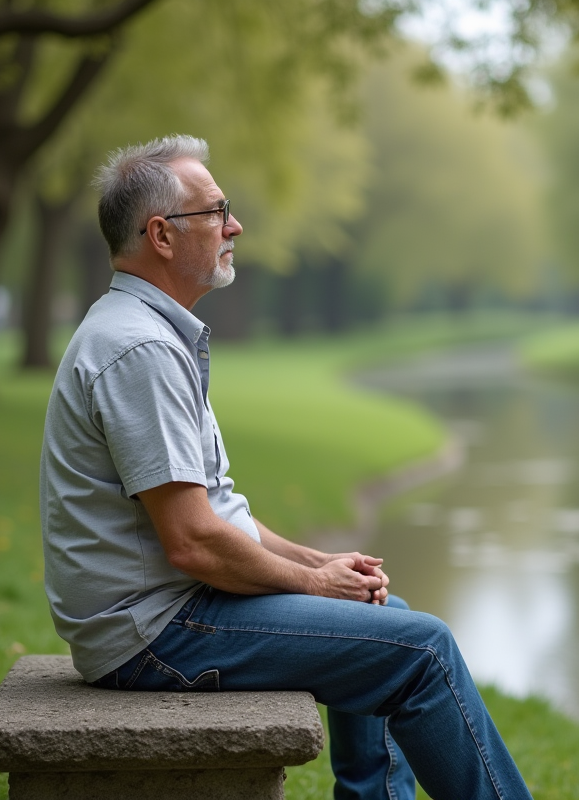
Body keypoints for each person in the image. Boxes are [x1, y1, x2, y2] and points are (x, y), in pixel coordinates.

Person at [40, 134, 533, 800]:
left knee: (390, 614)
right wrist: (316, 586)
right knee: (422, 650)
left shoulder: (150, 332)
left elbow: (218, 511)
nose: (234, 225)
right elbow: (192, 541)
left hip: (170, 613)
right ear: (160, 235)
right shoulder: (139, 349)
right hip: (155, 635)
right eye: (216, 211)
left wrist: (322, 569)